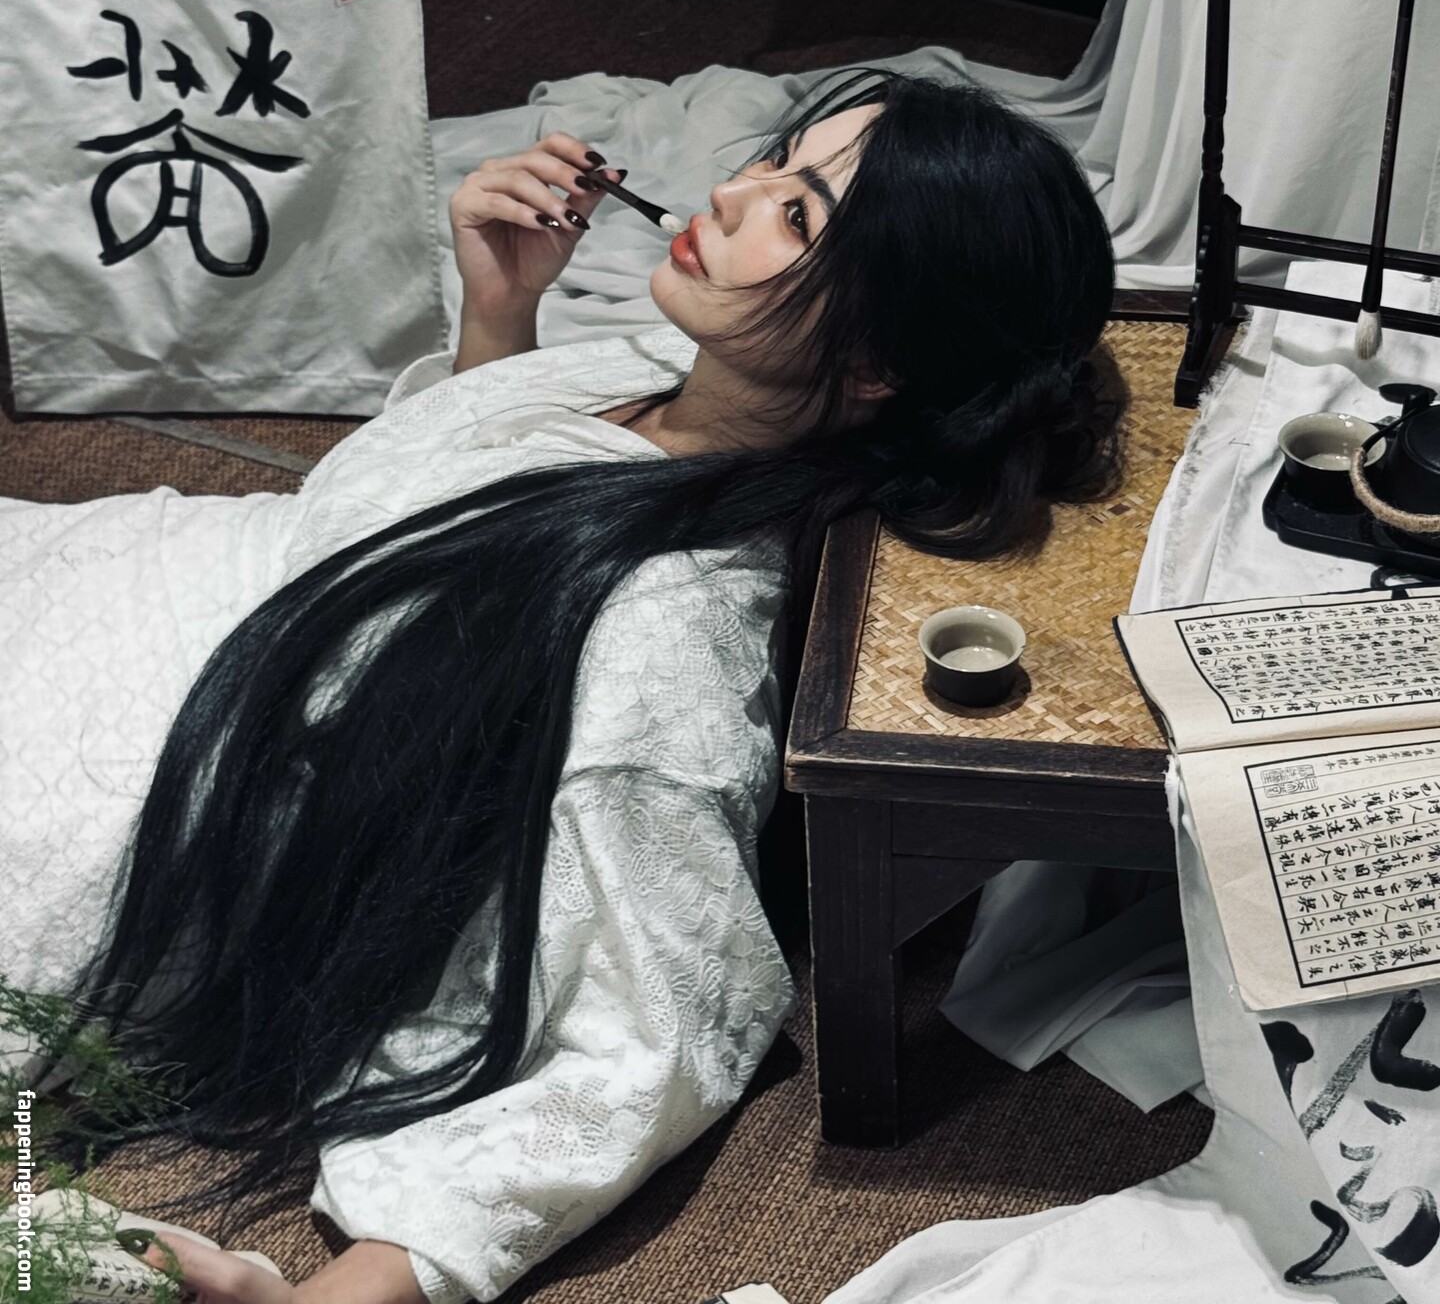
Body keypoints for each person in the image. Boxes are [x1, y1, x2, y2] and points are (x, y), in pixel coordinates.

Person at [0, 68, 1121, 1304]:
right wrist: (501, 311)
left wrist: (352, 1290)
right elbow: (458, 513)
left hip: (139, 759)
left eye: (797, 215)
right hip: (165, 583)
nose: (731, 192)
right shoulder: (663, 380)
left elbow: (659, 1024)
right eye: (775, 163)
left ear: (875, 364)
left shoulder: (669, 624)